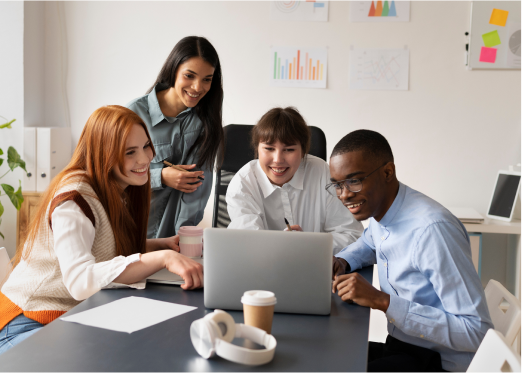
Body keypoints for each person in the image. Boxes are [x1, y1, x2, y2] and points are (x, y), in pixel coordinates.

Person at [0, 106, 203, 361]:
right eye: (130, 152)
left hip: (61, 320)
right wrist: (162, 258)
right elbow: (80, 281)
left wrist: (157, 245)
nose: (144, 159)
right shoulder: (74, 201)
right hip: (23, 328)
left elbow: (100, 245)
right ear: (104, 153)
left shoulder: (109, 187)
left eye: (146, 146)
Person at [328, 130, 492, 373]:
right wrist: (343, 260)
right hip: (405, 345)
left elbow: (477, 331)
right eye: (337, 184)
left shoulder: (433, 231)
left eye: (354, 181)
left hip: (439, 361)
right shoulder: (382, 210)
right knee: (327, 357)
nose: (344, 194)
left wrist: (381, 300)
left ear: (387, 172)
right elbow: (369, 243)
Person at [226, 107, 363, 254]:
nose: (278, 160)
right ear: (257, 149)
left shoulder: (323, 173)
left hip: (317, 269)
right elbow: (249, 245)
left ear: (303, 151)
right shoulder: (242, 184)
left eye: (289, 150)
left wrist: (307, 244)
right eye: (269, 148)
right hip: (262, 271)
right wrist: (286, 246)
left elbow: (351, 235)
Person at [127, 36, 224, 239]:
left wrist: (183, 238)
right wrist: (160, 176)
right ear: (174, 70)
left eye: (207, 79)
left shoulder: (205, 122)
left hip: (174, 239)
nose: (198, 87)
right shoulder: (135, 113)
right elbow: (112, 172)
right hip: (129, 230)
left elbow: (197, 191)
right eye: (190, 75)